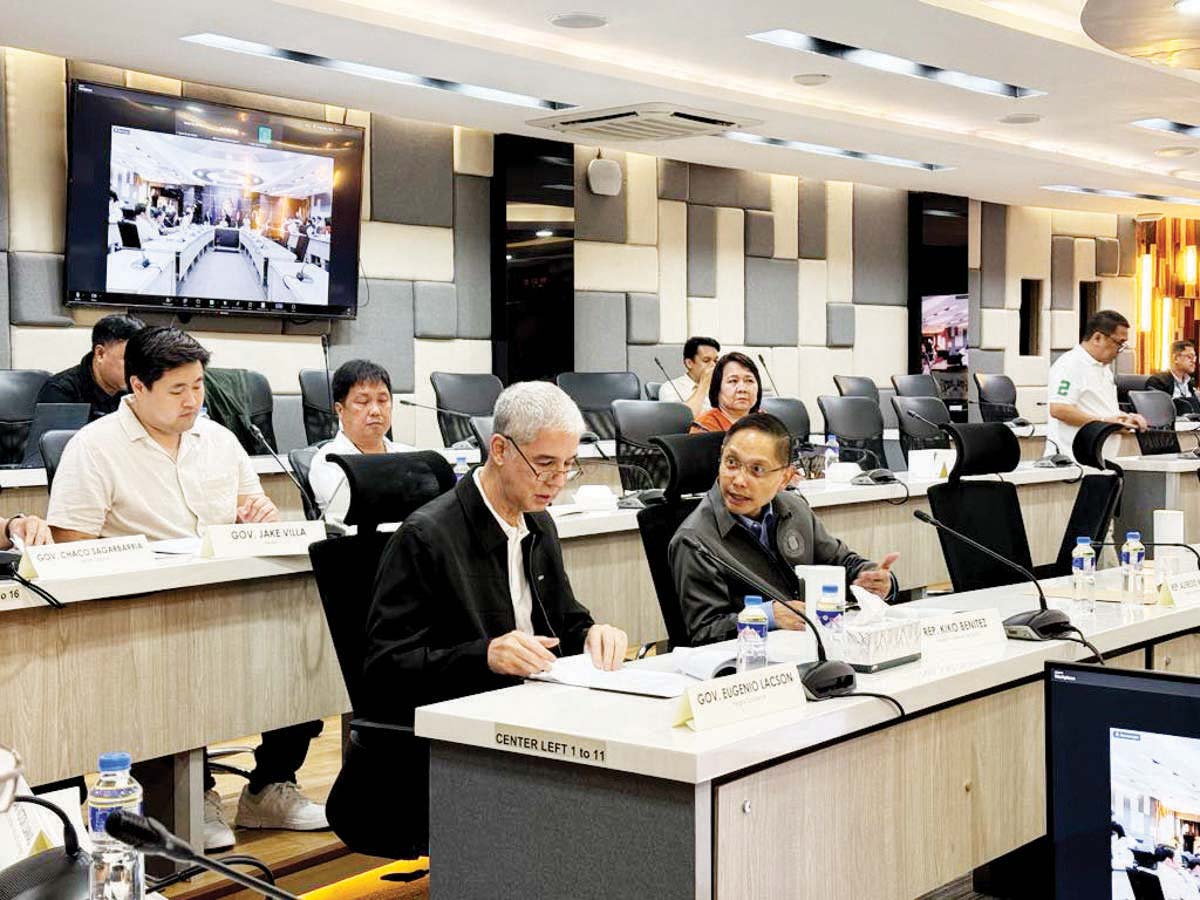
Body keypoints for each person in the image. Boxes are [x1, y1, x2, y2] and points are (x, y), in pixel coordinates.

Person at [44, 327, 327, 851]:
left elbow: (249, 511)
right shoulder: (94, 448)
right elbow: (70, 548)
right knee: (169, 669)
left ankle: (269, 788)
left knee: (300, 648)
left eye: (198, 385)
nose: (193, 400)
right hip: (138, 615)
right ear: (137, 386)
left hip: (224, 595)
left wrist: (257, 517)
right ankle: (193, 793)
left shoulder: (218, 439)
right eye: (177, 390)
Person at [364, 380, 629, 729]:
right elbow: (385, 668)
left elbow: (563, 621)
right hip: (466, 727)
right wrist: (485, 656)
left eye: (568, 464)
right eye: (545, 463)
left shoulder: (539, 522)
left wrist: (593, 635)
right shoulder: (426, 537)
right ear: (500, 450)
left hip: (537, 707)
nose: (558, 480)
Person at [670, 413, 900, 645]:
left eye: (757, 469)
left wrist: (872, 577)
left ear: (785, 478)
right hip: (755, 667)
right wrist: (768, 616)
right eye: (731, 463)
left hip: (811, 646)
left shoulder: (794, 508)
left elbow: (842, 562)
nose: (738, 480)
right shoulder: (695, 540)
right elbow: (705, 632)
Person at [308, 359, 415, 525]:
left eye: (382, 400)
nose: (375, 411)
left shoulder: (410, 456)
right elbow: (355, 518)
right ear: (340, 410)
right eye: (363, 402)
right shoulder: (329, 462)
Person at [1047, 309, 1147, 461]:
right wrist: (1104, 422)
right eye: (1119, 343)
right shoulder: (1070, 364)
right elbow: (1059, 409)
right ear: (1097, 338)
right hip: (1073, 461)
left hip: (1100, 459)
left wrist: (1124, 419)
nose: (1119, 351)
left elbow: (1100, 408)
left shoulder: (1103, 369)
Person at [38, 314, 145, 419]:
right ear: (100, 354)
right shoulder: (61, 391)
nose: (136, 369)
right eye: (128, 360)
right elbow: (60, 436)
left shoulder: (139, 388)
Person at [690, 351, 762, 433]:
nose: (742, 389)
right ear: (717, 388)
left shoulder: (764, 419)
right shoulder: (704, 427)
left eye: (749, 380)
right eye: (733, 381)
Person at [658, 336, 720, 418]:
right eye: (706, 360)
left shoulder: (721, 386)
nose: (713, 365)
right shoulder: (670, 388)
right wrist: (704, 384)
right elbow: (683, 420)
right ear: (689, 363)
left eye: (715, 361)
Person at [1148, 339, 1200, 415]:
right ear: (1176, 358)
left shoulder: (1189, 382)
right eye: (1189, 357)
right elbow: (1157, 412)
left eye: (1194, 357)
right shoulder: (1158, 382)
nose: (1193, 361)